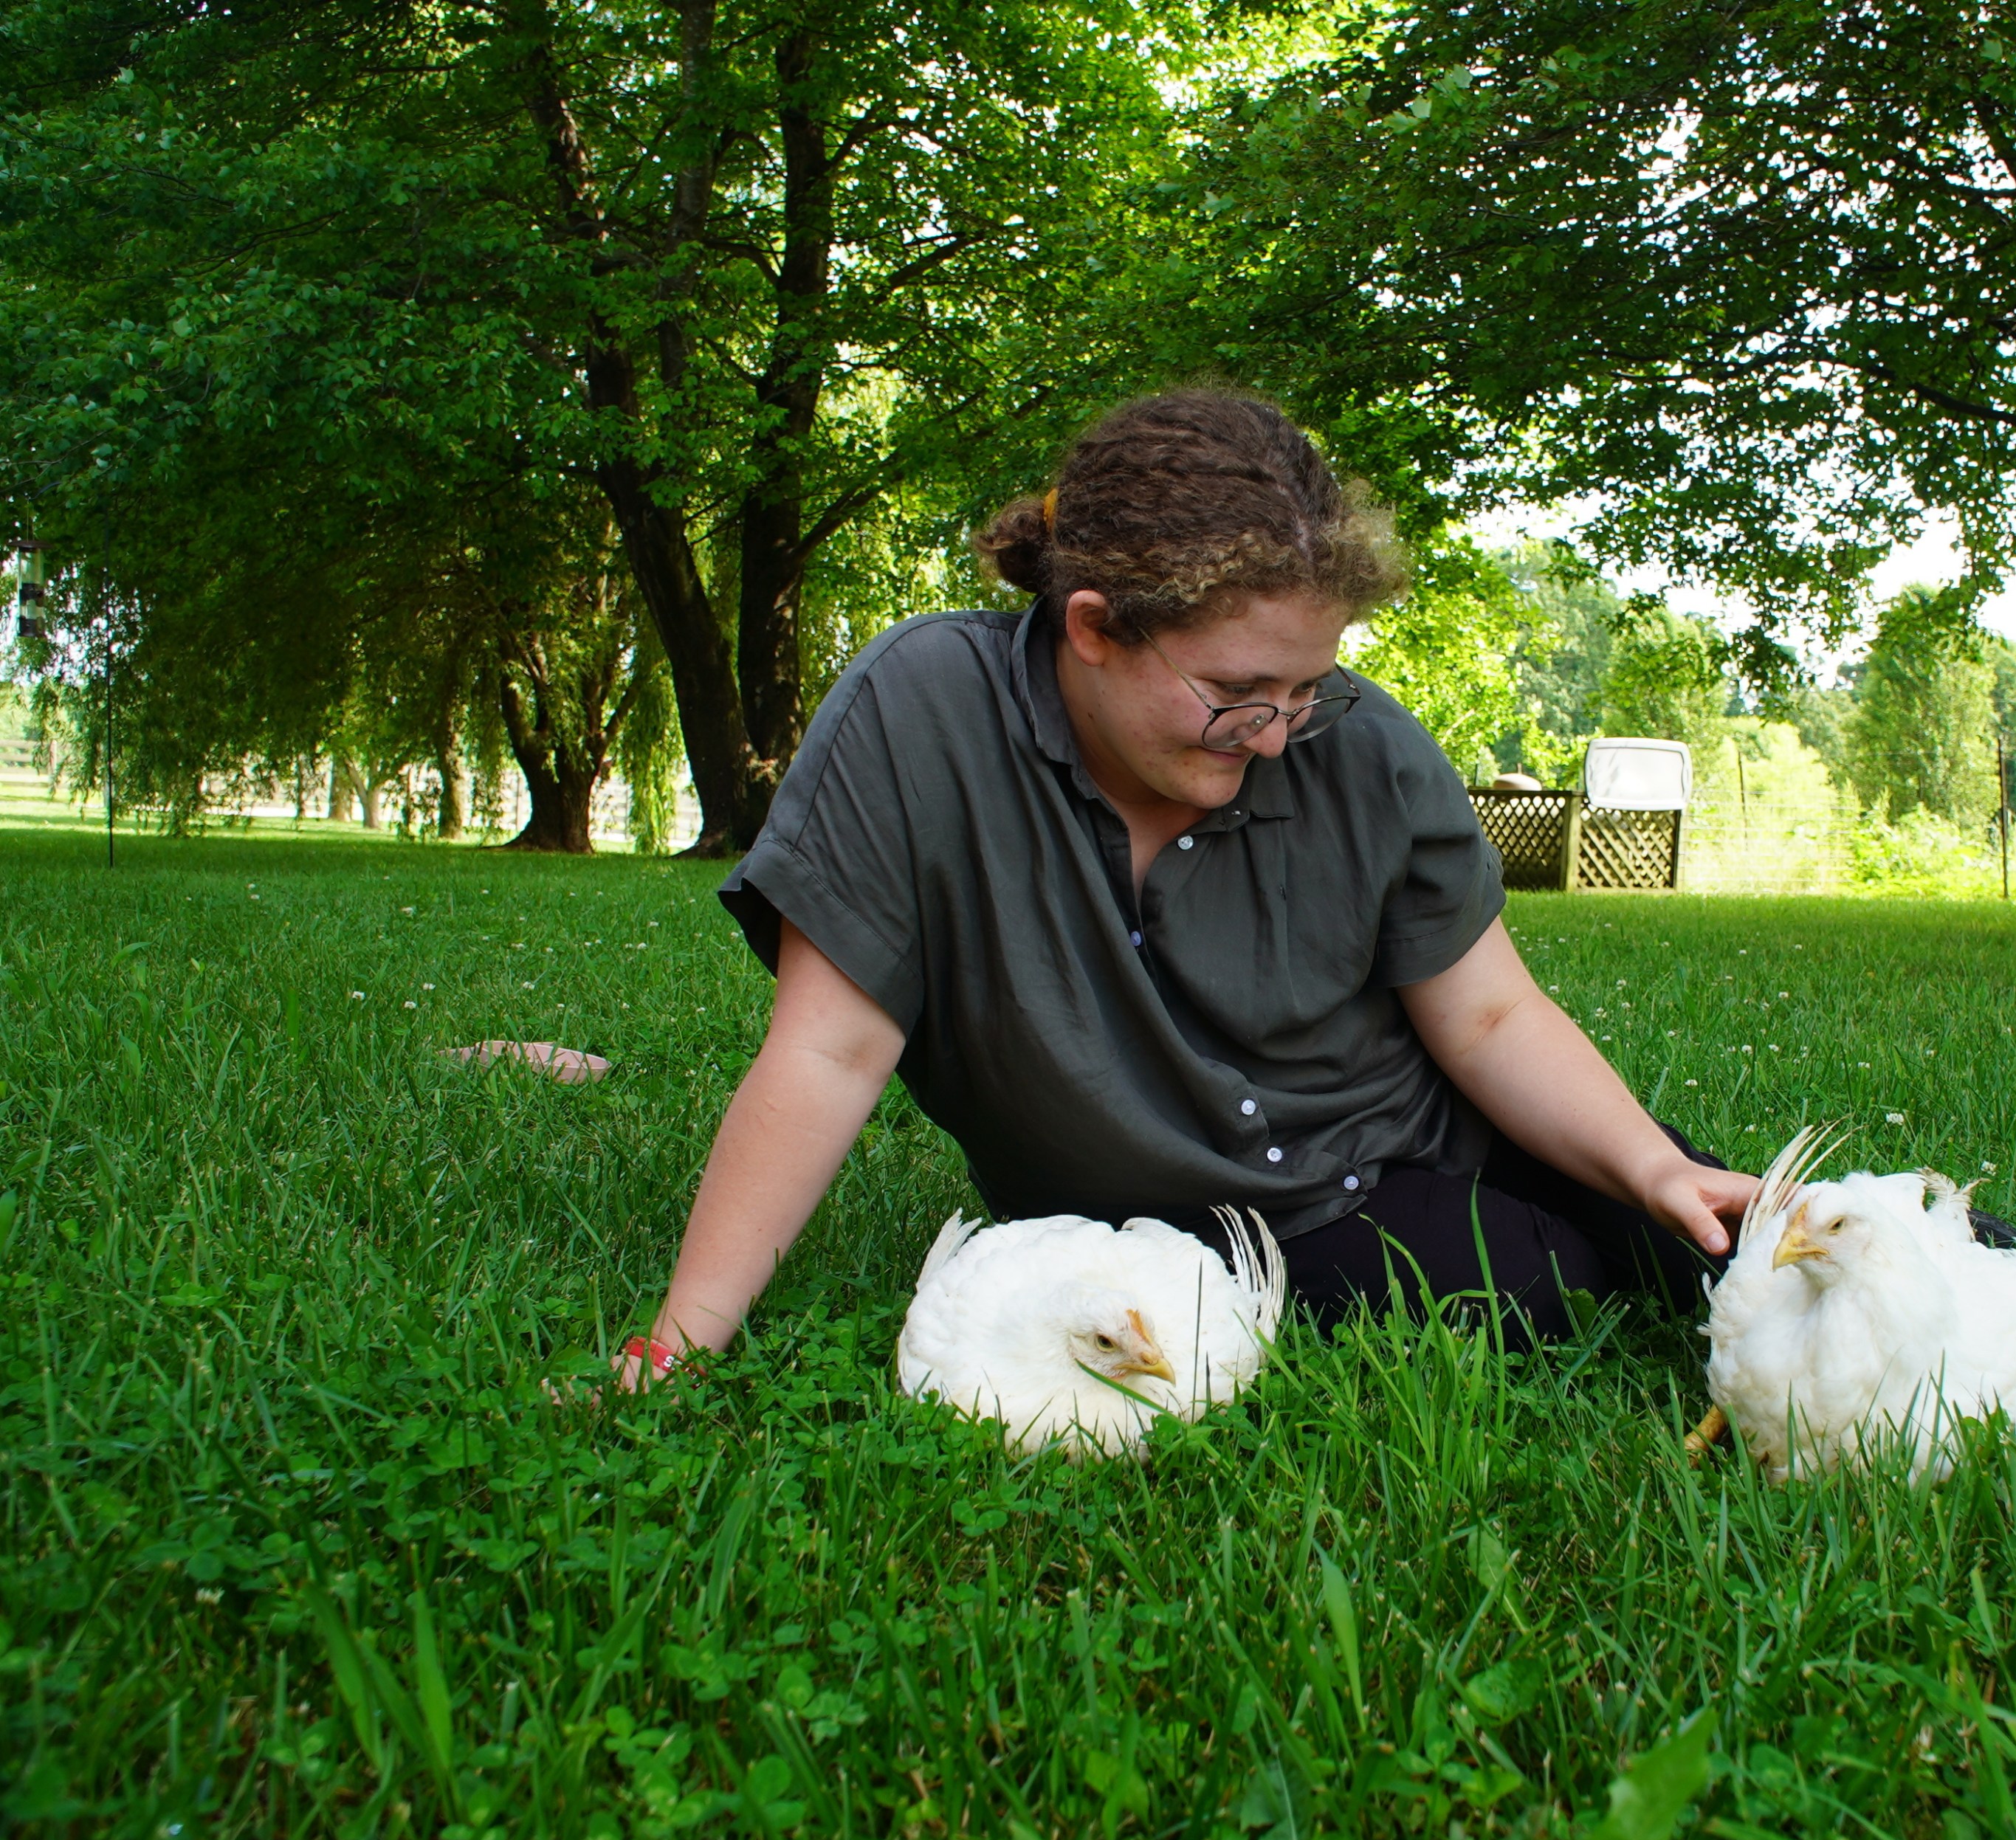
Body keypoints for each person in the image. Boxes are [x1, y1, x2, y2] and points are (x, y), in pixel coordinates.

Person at [618, 391, 1757, 1387]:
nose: (1275, 736)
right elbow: (827, 1052)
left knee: (1726, 1232)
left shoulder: (1363, 749)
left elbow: (1493, 1014)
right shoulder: (920, 713)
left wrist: (1654, 1168)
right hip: (1244, 1219)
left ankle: (1907, 1249)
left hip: (1430, 1119)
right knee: (1540, 1289)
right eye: (1238, 691)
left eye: (1307, 688)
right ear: (1096, 628)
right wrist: (676, 1344)